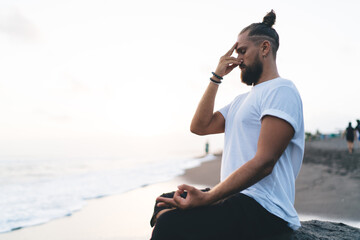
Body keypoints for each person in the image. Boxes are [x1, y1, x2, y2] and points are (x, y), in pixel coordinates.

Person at [150, 10, 304, 240]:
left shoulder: (281, 90)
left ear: (264, 48)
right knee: (163, 203)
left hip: (265, 208)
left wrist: (208, 197)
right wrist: (216, 76)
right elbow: (200, 127)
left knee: (169, 224)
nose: (238, 58)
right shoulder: (241, 101)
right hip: (236, 198)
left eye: (242, 51)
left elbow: (264, 162)